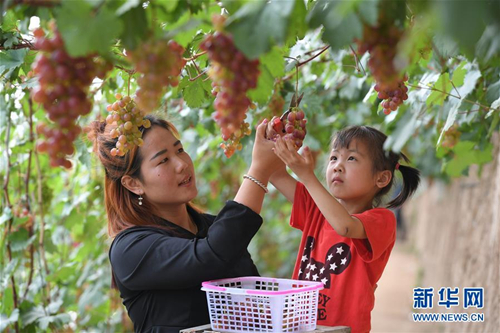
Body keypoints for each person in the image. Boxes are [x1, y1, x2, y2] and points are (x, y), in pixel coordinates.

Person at [87, 114, 278, 333]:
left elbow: (258, 298)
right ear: (133, 183)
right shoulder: (130, 249)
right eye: (163, 160)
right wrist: (259, 171)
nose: (182, 164)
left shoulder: (212, 227)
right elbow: (210, 257)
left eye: (179, 150)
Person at [266, 122, 420, 333]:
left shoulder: (381, 220)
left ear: (382, 178)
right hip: (300, 327)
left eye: (351, 158)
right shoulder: (315, 207)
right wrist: (274, 140)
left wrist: (307, 176)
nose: (338, 165)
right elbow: (275, 174)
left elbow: (345, 227)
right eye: (334, 157)